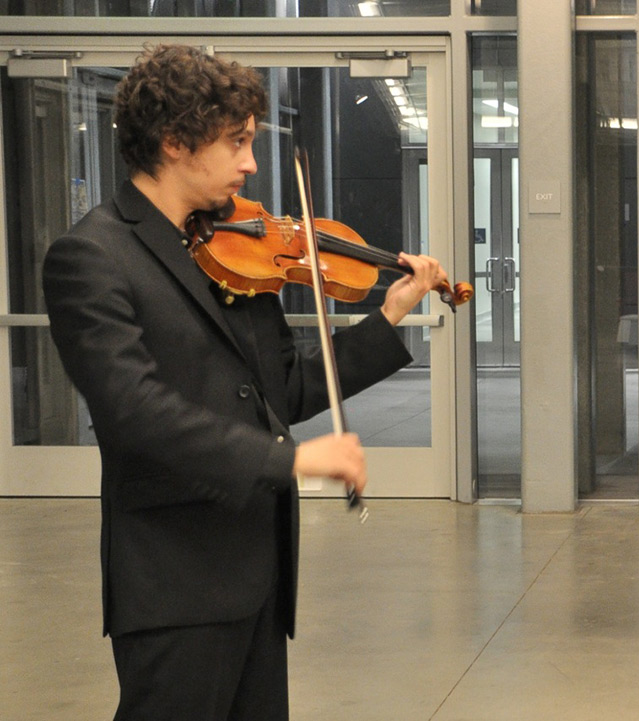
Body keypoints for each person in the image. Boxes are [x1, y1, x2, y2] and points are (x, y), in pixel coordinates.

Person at [41, 44, 447, 720]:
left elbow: (281, 391)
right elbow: (134, 413)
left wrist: (389, 315)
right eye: (236, 143)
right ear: (174, 142)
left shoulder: (233, 246)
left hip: (260, 575)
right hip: (175, 583)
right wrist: (290, 458)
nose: (252, 163)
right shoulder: (91, 257)